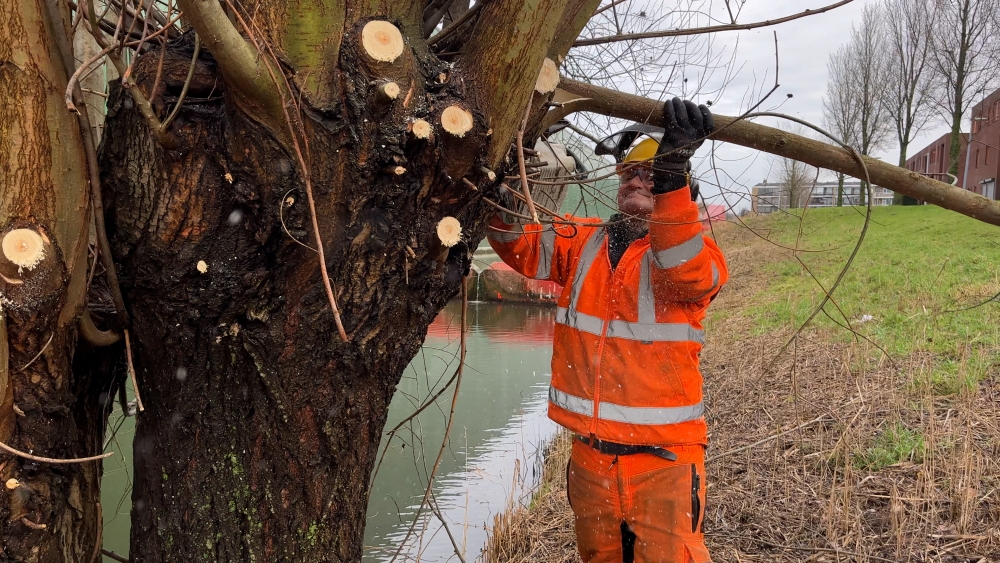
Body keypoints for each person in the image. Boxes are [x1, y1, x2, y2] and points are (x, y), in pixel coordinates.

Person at [487, 98, 727, 563]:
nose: (639, 179)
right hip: (591, 459)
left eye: (653, 173)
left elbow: (681, 268)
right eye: (632, 173)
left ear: (679, 189)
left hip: (663, 463)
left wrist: (673, 172)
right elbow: (515, 242)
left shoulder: (698, 259)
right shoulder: (582, 243)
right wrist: (506, 178)